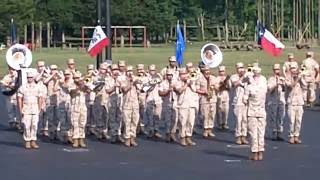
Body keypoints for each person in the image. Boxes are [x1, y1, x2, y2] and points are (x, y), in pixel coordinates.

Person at [243, 65, 267, 161]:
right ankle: (260, 152)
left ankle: (254, 152)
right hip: (261, 111)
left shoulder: (249, 87)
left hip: (252, 111)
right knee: (261, 132)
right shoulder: (264, 85)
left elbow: (244, 100)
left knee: (253, 133)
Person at [174, 68, 200, 146]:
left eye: (186, 74)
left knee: (191, 122)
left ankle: (189, 137)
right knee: (182, 123)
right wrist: (186, 84)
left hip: (191, 104)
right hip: (182, 105)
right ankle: (182, 137)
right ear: (180, 75)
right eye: (183, 74)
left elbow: (195, 90)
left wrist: (191, 82)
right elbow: (179, 91)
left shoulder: (191, 82)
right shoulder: (177, 83)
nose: (185, 76)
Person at [17, 72, 43, 149]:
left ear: (33, 78)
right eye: (28, 77)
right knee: (27, 125)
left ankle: (33, 141)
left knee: (34, 125)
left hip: (35, 107)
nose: (30, 79)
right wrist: (20, 109)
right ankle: (27, 141)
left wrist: (39, 108)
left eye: (31, 77)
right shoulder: (23, 87)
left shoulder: (38, 87)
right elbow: (19, 99)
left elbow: (40, 98)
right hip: (26, 108)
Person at [120, 65, 141, 147]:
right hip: (127, 104)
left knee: (135, 121)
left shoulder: (136, 79)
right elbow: (124, 90)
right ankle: (127, 138)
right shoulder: (122, 80)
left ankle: (132, 137)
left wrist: (137, 83)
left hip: (135, 103)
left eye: (131, 71)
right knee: (127, 121)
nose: (130, 73)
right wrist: (131, 83)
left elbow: (141, 89)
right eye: (128, 71)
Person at [230, 62, 249, 145]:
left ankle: (244, 136)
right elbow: (235, 84)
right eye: (239, 68)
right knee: (238, 120)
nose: (241, 69)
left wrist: (248, 76)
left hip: (246, 102)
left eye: (242, 68)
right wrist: (242, 77)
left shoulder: (248, 76)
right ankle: (238, 136)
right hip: (237, 101)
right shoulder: (234, 77)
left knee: (245, 120)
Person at [285, 64, 304, 144]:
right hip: (291, 103)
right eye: (292, 68)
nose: (294, 70)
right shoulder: (287, 79)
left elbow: (306, 86)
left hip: (299, 102)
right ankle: (291, 136)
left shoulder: (300, 79)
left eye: (295, 68)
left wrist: (301, 78)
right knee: (292, 121)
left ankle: (296, 136)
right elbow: (291, 86)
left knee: (298, 120)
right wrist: (297, 79)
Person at [198, 65, 219, 138]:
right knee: (205, 115)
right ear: (203, 71)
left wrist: (215, 87)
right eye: (205, 71)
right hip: (204, 99)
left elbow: (218, 88)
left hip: (212, 99)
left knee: (212, 114)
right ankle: (205, 129)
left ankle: (210, 129)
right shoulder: (200, 79)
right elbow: (196, 89)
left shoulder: (213, 78)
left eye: (208, 70)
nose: (207, 72)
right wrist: (203, 92)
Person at [68, 72, 88, 148]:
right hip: (75, 107)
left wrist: (85, 84)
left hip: (83, 106)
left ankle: (81, 139)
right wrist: (80, 85)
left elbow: (88, 90)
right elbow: (72, 92)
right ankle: (75, 139)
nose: (77, 79)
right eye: (75, 78)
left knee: (82, 123)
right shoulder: (71, 85)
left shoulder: (83, 84)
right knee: (75, 124)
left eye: (78, 78)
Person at [105, 64, 124, 143]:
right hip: (112, 100)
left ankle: (118, 134)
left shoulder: (122, 78)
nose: (115, 71)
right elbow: (107, 90)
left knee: (119, 117)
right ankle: (113, 134)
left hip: (120, 99)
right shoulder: (108, 79)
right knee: (112, 117)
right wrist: (114, 86)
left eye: (116, 69)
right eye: (113, 70)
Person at [159, 69, 178, 143]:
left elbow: (179, 91)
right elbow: (160, 93)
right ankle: (167, 133)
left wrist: (175, 88)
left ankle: (173, 133)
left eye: (171, 75)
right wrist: (167, 91)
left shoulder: (175, 83)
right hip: (167, 103)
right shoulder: (163, 83)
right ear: (166, 76)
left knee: (175, 119)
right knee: (167, 120)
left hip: (175, 103)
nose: (169, 76)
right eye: (168, 75)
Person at [267, 64, 286, 141]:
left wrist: (282, 84)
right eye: (275, 70)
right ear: (273, 70)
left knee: (281, 117)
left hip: (281, 100)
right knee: (273, 117)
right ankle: (274, 133)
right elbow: (269, 91)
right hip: (273, 100)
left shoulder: (282, 78)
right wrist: (276, 84)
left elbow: (285, 90)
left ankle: (279, 133)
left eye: (278, 69)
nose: (277, 71)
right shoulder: (270, 79)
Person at [43, 64, 62, 140]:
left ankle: (57, 132)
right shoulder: (48, 77)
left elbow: (63, 80)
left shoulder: (60, 76)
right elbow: (45, 81)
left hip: (57, 99)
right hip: (50, 99)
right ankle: (51, 132)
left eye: (55, 69)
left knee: (58, 117)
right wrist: (52, 75)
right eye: (52, 69)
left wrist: (57, 78)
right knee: (50, 117)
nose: (53, 70)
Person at [144, 64, 163, 139]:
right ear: (148, 71)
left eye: (154, 70)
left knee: (157, 115)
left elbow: (161, 88)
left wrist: (158, 80)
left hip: (158, 99)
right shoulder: (146, 79)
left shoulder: (158, 78)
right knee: (150, 116)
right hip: (149, 99)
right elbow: (145, 89)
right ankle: (151, 130)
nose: (153, 72)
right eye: (151, 70)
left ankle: (156, 130)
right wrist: (152, 83)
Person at [92, 63, 109, 140]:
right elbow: (94, 88)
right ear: (99, 69)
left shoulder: (109, 78)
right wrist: (100, 83)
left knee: (106, 116)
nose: (104, 71)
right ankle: (99, 131)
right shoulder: (95, 78)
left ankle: (105, 131)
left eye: (105, 69)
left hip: (107, 99)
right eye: (102, 69)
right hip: (99, 99)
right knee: (99, 116)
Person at [34, 60, 49, 136]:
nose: (41, 68)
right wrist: (42, 73)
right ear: (37, 67)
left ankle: (45, 129)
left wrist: (47, 73)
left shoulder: (47, 73)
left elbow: (48, 81)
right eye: (40, 66)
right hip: (38, 96)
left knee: (46, 113)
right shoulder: (35, 73)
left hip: (46, 95)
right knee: (39, 113)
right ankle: (39, 128)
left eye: (42, 66)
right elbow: (36, 80)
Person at [216, 65, 231, 130]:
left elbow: (229, 87)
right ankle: (219, 123)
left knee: (226, 110)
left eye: (223, 71)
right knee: (219, 111)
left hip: (226, 95)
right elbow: (217, 88)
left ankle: (225, 123)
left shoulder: (227, 78)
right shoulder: (217, 78)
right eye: (220, 71)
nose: (222, 73)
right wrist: (221, 84)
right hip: (219, 95)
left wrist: (226, 82)